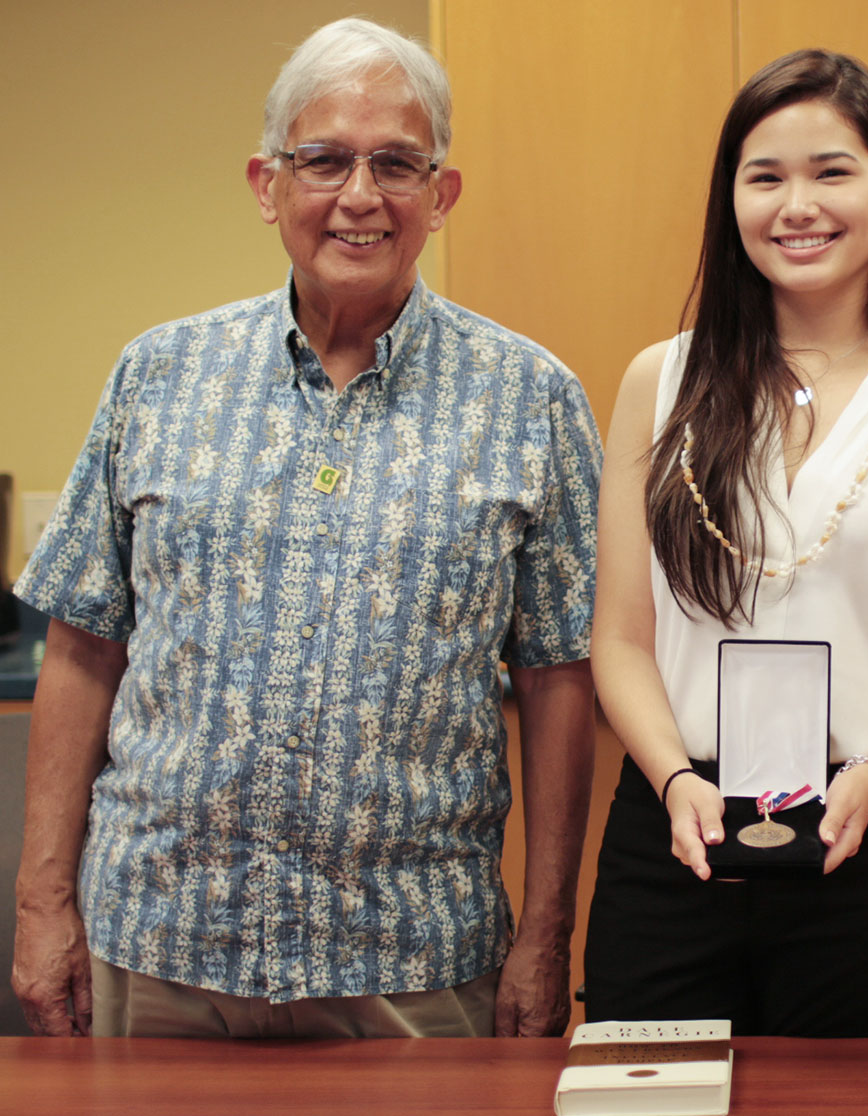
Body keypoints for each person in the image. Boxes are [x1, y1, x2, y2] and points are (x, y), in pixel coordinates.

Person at [11, 17, 601, 1039]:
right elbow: (82, 644)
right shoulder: (158, 375)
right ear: (266, 184)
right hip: (158, 947)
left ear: (441, 195)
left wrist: (546, 936)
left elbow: (561, 681)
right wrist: (39, 902)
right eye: (323, 159)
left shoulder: (533, 398)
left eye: (397, 164)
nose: (360, 195)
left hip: (415, 960)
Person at [583, 48, 868, 1038]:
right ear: (730, 201)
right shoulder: (660, 380)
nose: (800, 206)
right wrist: (676, 782)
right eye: (766, 177)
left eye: (832, 171)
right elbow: (618, 638)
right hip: (678, 827)